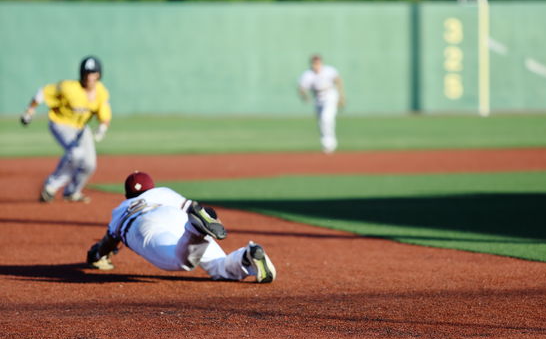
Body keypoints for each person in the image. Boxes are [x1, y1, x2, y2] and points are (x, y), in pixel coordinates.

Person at [86, 171, 276, 283]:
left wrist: (97, 255)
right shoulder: (161, 192)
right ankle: (246, 256)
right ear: (151, 187)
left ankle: (195, 232)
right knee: (218, 266)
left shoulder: (121, 209)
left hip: (142, 225)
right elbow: (193, 207)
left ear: (127, 194)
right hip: (176, 216)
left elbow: (109, 242)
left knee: (182, 262)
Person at [20, 56, 112, 203]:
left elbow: (104, 114)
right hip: (60, 123)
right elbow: (43, 92)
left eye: (93, 73)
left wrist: (102, 127)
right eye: (87, 73)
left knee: (90, 164)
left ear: (99, 75)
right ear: (81, 74)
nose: (90, 77)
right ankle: (50, 186)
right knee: (75, 153)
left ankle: (72, 192)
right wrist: (30, 110)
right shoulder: (68, 87)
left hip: (81, 128)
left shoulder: (101, 92)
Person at [297, 54, 345, 154]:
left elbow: (338, 81)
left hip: (330, 95)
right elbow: (301, 88)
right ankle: (326, 144)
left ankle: (330, 144)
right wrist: (304, 96)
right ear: (311, 64)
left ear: (321, 63)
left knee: (326, 118)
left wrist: (341, 96)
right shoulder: (308, 74)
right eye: (314, 63)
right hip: (318, 98)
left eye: (318, 63)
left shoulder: (329, 70)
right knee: (321, 123)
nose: (316, 65)